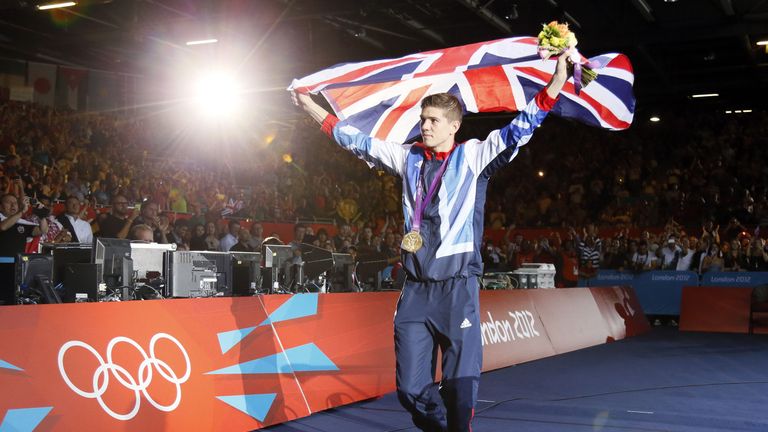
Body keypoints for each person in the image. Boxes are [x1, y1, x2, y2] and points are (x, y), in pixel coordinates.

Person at [293, 51, 570, 432]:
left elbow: (521, 128)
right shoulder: (407, 158)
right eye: (423, 119)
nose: (424, 126)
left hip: (458, 287)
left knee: (459, 390)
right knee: (408, 390)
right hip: (416, 291)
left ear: (454, 126)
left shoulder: (474, 157)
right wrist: (310, 105)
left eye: (433, 121)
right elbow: (352, 139)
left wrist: (556, 82)